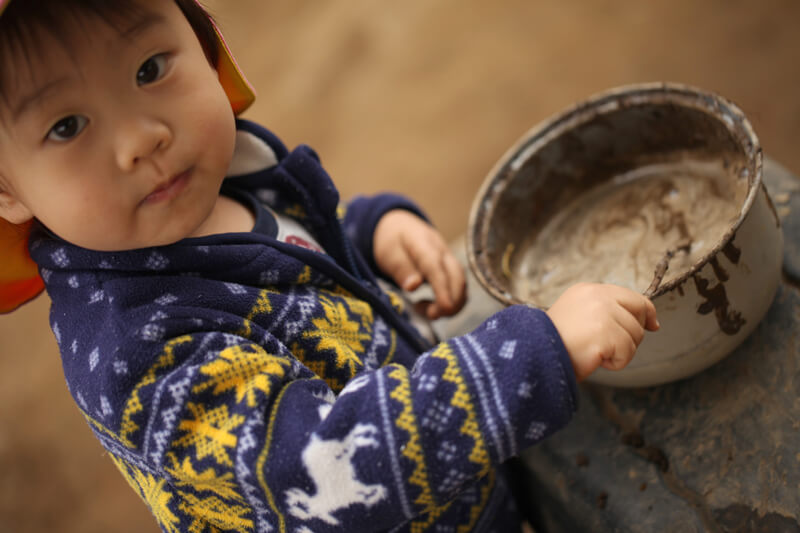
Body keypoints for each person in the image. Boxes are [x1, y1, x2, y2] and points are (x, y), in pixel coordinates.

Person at [0, 1, 659, 531]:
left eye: (149, 69)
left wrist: (370, 234)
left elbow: (293, 253)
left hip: (461, 485)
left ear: (205, 41)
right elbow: (324, 468)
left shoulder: (222, 180)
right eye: (67, 126)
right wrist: (532, 357)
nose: (142, 136)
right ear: (6, 190)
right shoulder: (142, 357)